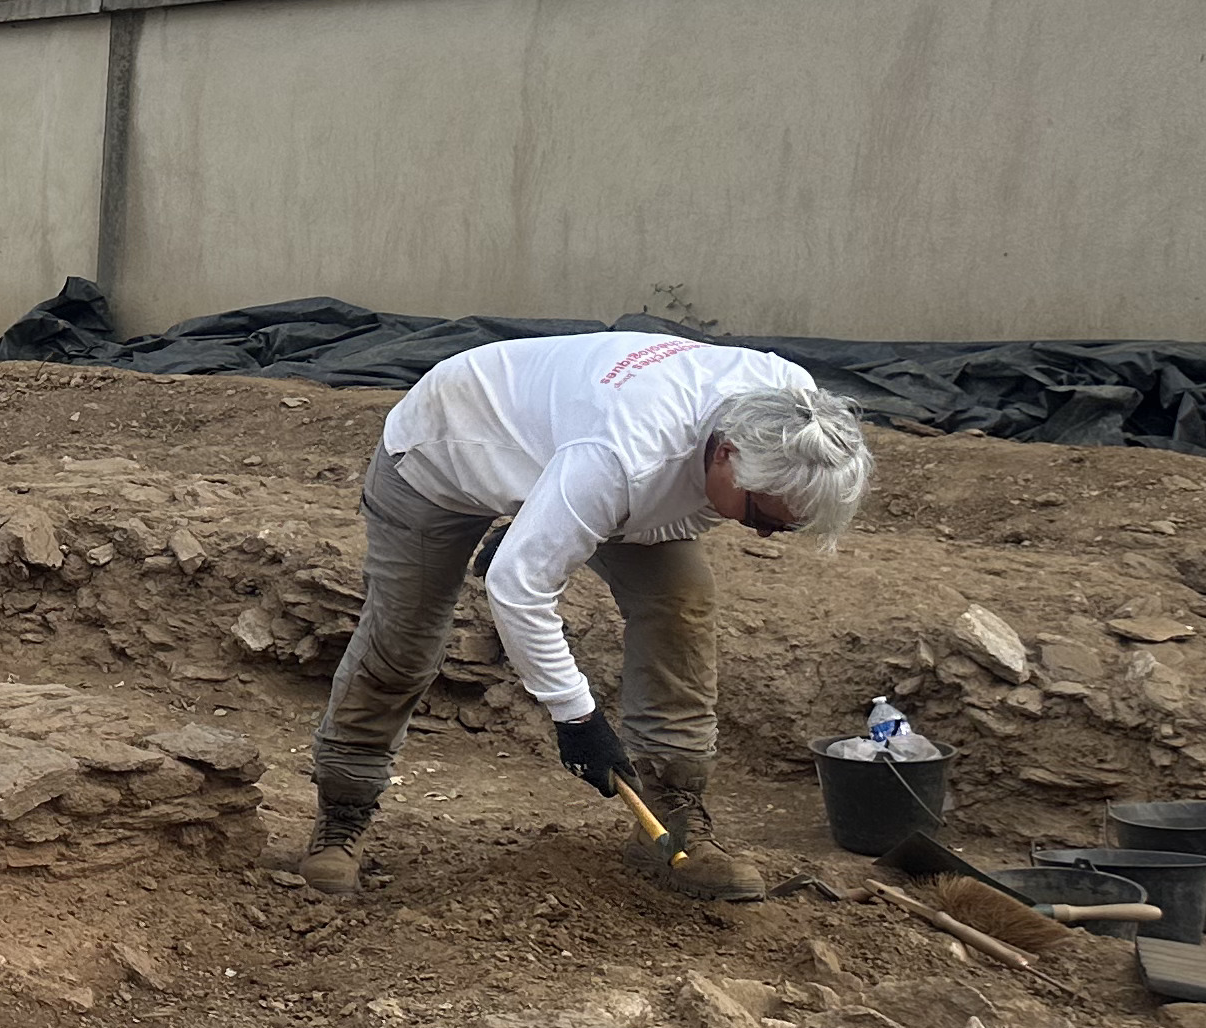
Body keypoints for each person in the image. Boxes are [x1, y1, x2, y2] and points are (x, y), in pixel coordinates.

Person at [298, 334, 872, 902]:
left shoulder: (796, 408)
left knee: (680, 606)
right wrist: (577, 718)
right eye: (759, 515)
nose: (767, 532)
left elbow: (640, 497)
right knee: (406, 639)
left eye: (785, 527)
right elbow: (517, 589)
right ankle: (342, 816)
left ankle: (673, 821)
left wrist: (545, 525)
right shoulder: (623, 456)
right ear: (727, 454)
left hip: (577, 455)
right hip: (444, 448)